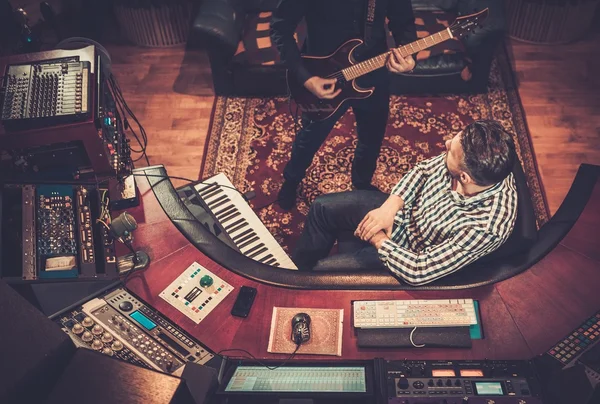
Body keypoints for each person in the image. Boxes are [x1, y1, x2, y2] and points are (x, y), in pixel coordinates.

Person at [292, 120, 518, 286]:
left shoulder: (486, 228)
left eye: (450, 150)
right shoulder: (472, 159)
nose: (447, 143)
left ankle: (305, 286)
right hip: (402, 215)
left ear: (465, 178)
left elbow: (419, 271)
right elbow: (422, 171)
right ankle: (292, 273)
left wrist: (378, 238)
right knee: (321, 208)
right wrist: (389, 208)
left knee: (321, 275)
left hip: (405, 254)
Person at [270, 0, 417, 210]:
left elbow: (403, 21)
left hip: (373, 71)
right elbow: (280, 28)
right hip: (323, 75)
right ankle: (292, 180)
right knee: (309, 138)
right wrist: (306, 78)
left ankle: (361, 183)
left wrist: (410, 56)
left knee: (372, 137)